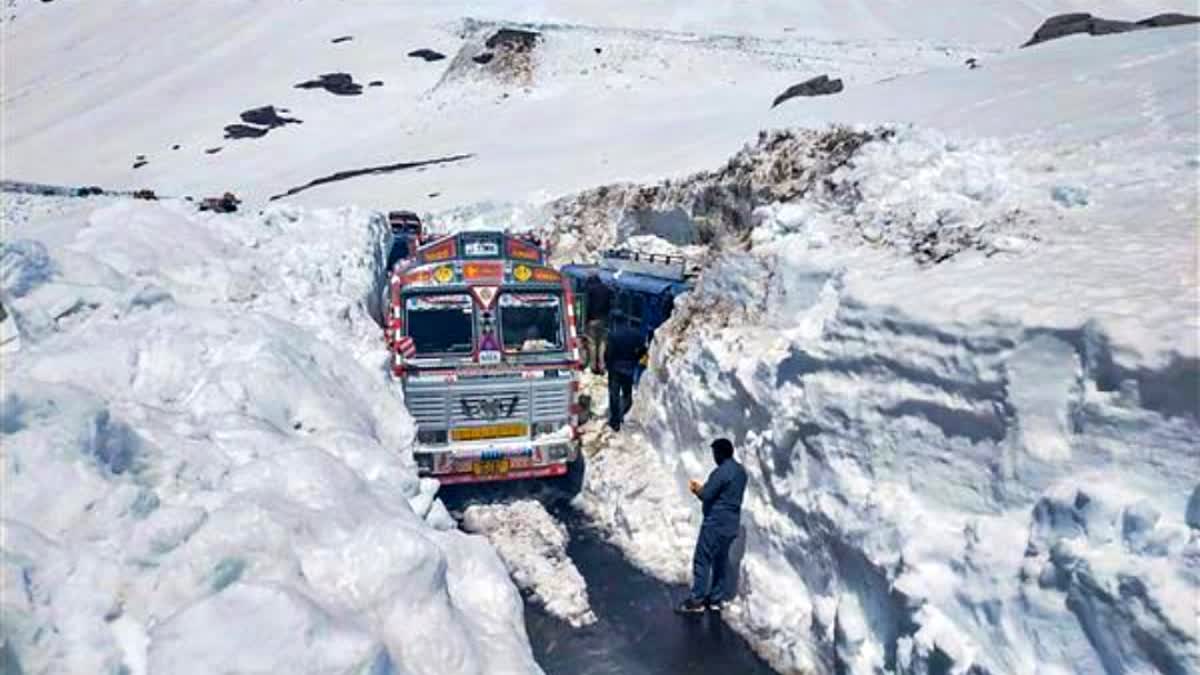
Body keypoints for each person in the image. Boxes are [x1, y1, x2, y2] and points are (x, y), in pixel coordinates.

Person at [677, 438, 747, 614]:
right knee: (720, 561)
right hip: (731, 525)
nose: (714, 456)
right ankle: (716, 599)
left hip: (715, 523)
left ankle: (697, 600)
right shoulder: (741, 472)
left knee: (702, 559)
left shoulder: (721, 472)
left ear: (721, 453)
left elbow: (707, 495)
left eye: (715, 453)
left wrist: (696, 489)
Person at [604, 311, 645, 431]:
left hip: (615, 369)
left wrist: (608, 364)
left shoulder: (613, 335)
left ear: (615, 321)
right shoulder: (635, 334)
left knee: (614, 394)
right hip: (629, 368)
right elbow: (644, 348)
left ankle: (615, 421)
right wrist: (635, 358)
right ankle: (626, 416)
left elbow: (609, 353)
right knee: (627, 393)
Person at [584, 274, 612, 374]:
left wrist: (585, 319)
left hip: (592, 320)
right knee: (602, 343)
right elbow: (610, 305)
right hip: (604, 320)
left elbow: (587, 305)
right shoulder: (607, 289)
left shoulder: (590, 290)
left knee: (592, 344)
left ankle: (593, 366)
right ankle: (602, 365)